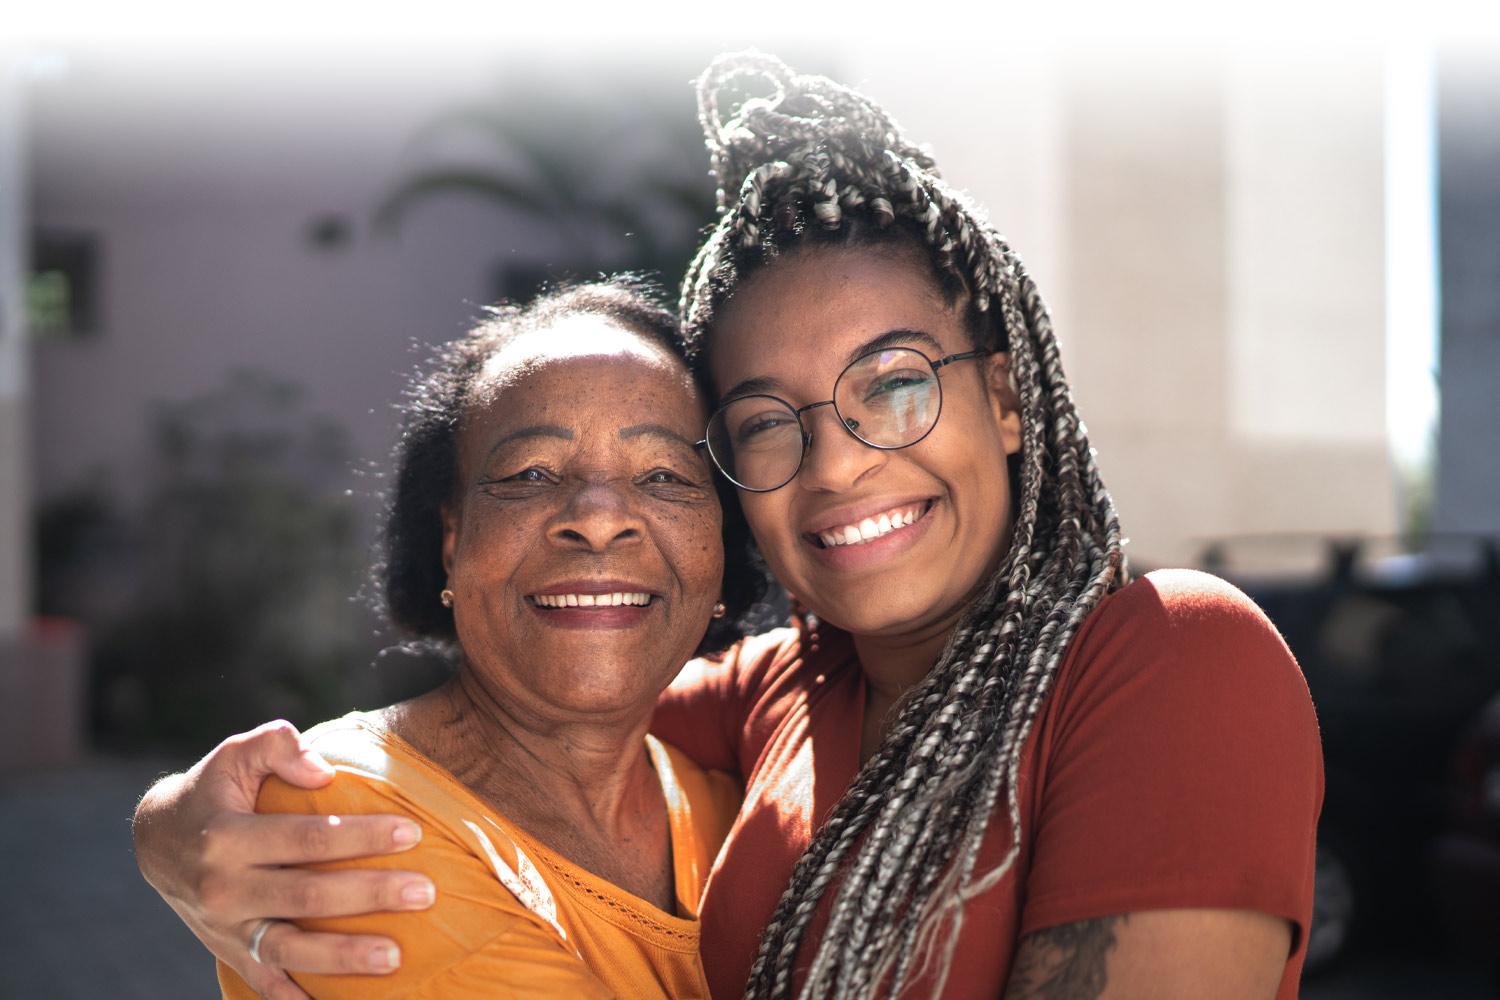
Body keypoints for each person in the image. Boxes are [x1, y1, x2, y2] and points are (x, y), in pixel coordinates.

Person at [134, 53, 1323, 1000]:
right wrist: (184, 823)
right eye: (766, 422)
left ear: (1007, 399)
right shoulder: (789, 693)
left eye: (894, 384)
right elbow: (545, 698)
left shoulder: (1169, 661)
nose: (840, 462)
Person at [201, 279, 761, 999]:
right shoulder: (343, 813)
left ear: (722, 546)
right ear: (451, 541)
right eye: (529, 474)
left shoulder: (742, 812)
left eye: (663, 475)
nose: (596, 518)